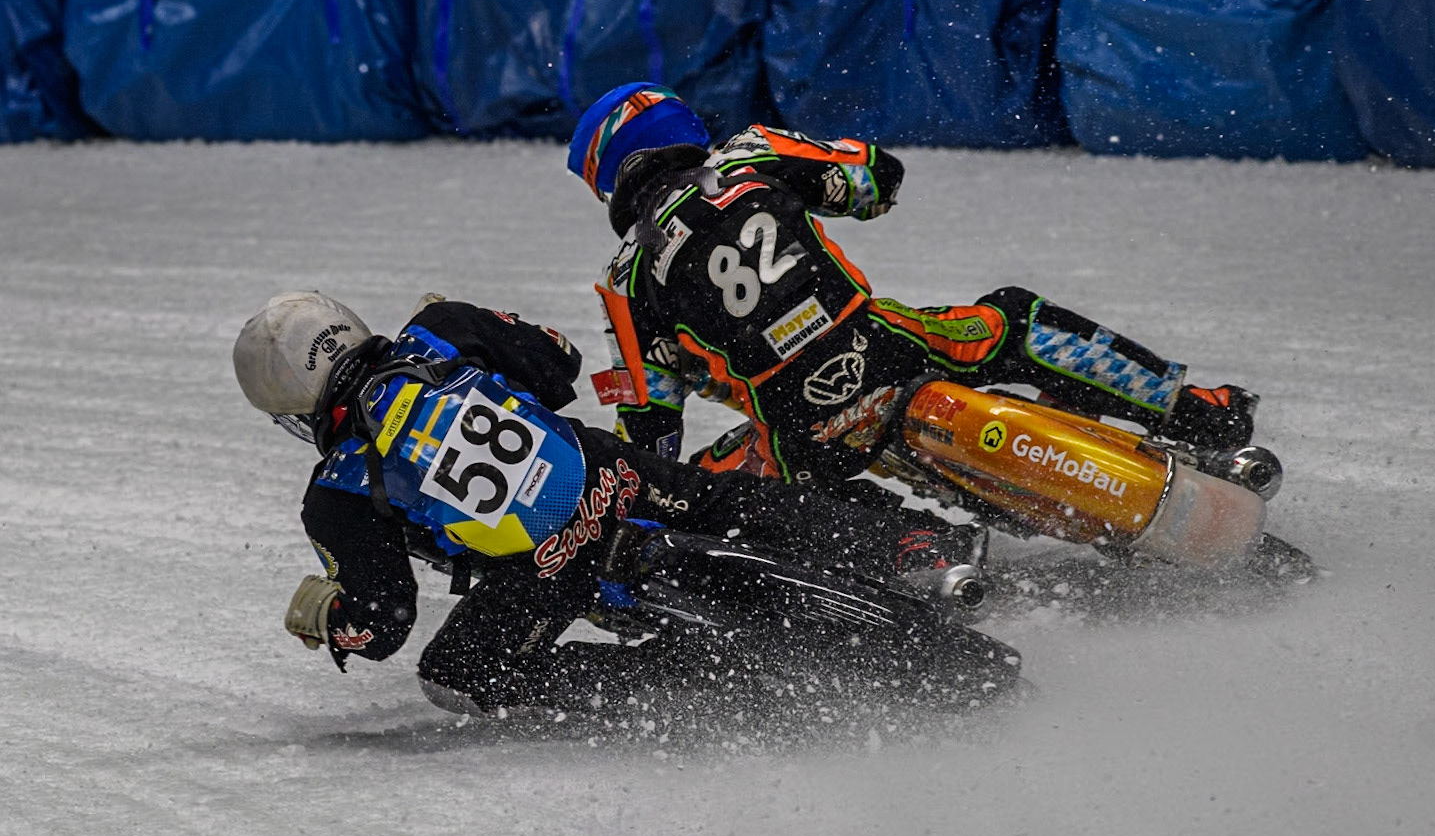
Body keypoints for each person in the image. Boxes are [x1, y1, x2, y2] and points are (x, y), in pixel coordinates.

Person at [232, 291, 1011, 719]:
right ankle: (917, 548)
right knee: (725, 494)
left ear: (293, 409)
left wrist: (331, 617)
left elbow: (384, 625)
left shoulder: (332, 493)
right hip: (613, 477)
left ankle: (713, 689)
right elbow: (560, 365)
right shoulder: (438, 330)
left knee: (457, 675)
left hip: (541, 571)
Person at [568, 82, 1260, 486]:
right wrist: (837, 182)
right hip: (888, 346)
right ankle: (1198, 412)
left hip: (794, 429)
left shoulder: (623, 280)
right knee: (1012, 319)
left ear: (609, 172)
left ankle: (913, 554)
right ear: (677, 123)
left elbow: (649, 430)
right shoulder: (750, 153)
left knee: (701, 487)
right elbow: (877, 178)